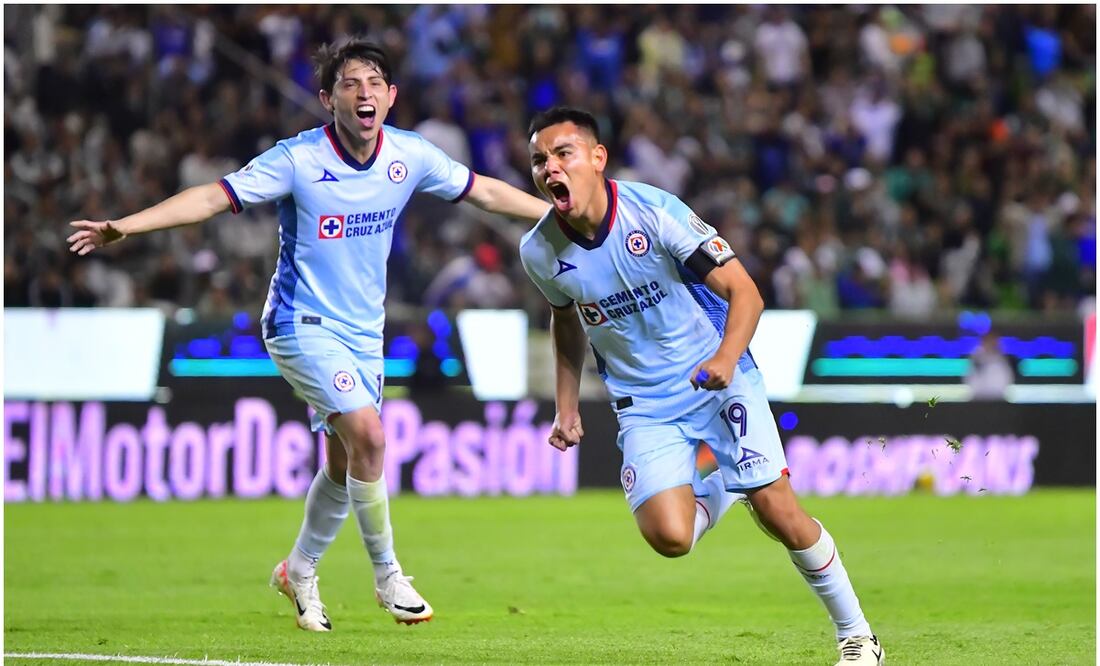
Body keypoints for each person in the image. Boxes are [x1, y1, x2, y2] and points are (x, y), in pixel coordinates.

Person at [67, 39, 549, 631]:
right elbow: (212, 197)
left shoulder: (411, 155)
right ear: (328, 99)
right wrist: (125, 226)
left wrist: (557, 214)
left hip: (363, 335)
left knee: (345, 463)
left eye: (375, 83)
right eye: (350, 83)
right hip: (300, 323)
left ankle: (298, 569)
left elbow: (487, 192)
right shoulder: (296, 160)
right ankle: (389, 576)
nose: (365, 93)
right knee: (370, 436)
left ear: (392, 97)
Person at [519, 107, 883, 666]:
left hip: (715, 376)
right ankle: (729, 487)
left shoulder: (654, 212)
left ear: (597, 158)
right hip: (643, 403)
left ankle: (857, 636)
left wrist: (725, 358)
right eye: (539, 160)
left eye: (563, 153)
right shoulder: (539, 250)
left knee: (779, 512)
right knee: (671, 537)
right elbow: (565, 320)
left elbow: (746, 292)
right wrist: (566, 407)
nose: (550, 168)